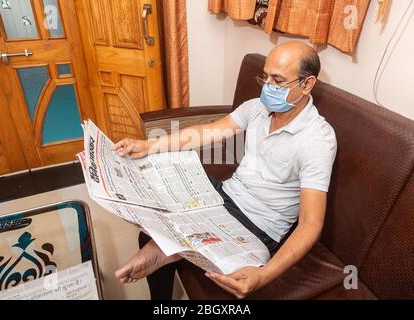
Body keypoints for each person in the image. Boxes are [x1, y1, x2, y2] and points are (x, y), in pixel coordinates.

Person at [112, 41, 337, 299]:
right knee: (156, 188)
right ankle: (160, 276)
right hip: (225, 193)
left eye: (278, 80)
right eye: (265, 77)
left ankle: (163, 249)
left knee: (164, 237)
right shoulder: (258, 108)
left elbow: (310, 223)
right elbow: (206, 132)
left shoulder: (317, 139)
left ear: (307, 84)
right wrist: (150, 145)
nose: (267, 87)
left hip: (259, 224)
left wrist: (263, 275)